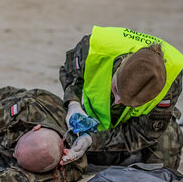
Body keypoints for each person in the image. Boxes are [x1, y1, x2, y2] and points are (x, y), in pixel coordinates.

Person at [60, 26, 183, 169]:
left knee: (164, 160)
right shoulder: (94, 47)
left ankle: (132, 156)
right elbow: (70, 73)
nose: (118, 101)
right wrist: (73, 103)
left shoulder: (172, 80)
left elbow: (144, 133)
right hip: (92, 122)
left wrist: (92, 140)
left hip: (135, 129)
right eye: (116, 90)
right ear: (122, 63)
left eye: (131, 103)